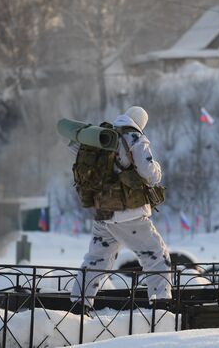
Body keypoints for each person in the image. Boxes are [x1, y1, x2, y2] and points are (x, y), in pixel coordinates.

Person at [70, 106, 172, 316]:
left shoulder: (102, 136)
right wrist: (158, 169)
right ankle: (161, 307)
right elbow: (150, 173)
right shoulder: (135, 138)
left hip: (103, 213)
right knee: (156, 256)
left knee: (97, 259)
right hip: (129, 214)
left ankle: (79, 306)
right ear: (140, 123)